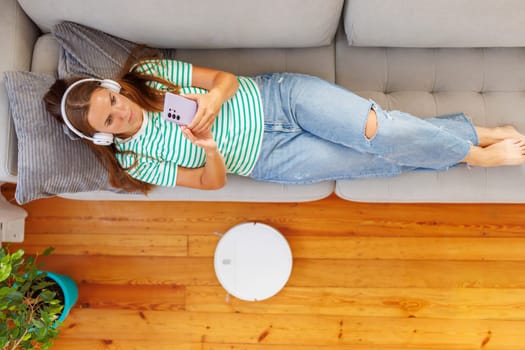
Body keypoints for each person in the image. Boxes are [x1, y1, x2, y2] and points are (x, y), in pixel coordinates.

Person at [43, 48, 525, 193]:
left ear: (110, 86)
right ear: (103, 134)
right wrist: (209, 146)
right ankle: (476, 136)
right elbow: (211, 184)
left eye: (113, 98)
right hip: (270, 156)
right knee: (378, 159)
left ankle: (475, 155)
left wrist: (212, 98)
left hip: (278, 99)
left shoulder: (148, 75)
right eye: (112, 118)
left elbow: (226, 78)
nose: (122, 109)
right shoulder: (135, 158)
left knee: (384, 130)